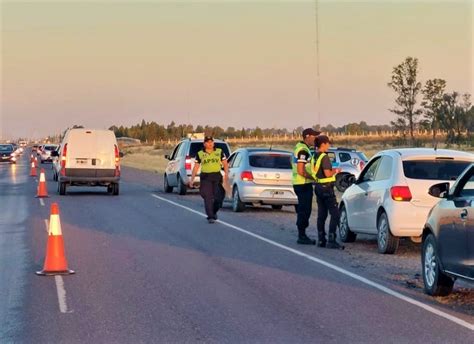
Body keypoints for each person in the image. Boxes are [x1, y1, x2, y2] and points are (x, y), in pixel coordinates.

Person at [308, 135, 344, 249]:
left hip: (318, 187)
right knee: (335, 214)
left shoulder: (315, 156)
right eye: (328, 143)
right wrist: (336, 170)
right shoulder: (324, 157)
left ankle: (321, 239)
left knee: (321, 214)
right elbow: (328, 173)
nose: (329, 145)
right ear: (323, 144)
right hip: (326, 188)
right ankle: (331, 240)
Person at [189, 136, 229, 224]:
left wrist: (226, 175)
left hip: (217, 177)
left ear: (213, 143)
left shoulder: (219, 152)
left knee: (219, 198)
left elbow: (225, 164)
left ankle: (214, 211)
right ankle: (210, 216)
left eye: (211, 142)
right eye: (207, 142)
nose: (210, 144)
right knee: (208, 197)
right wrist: (192, 179)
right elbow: (196, 167)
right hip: (205, 177)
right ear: (204, 144)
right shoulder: (200, 154)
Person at [292, 128, 320, 245]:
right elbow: (301, 170)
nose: (315, 139)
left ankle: (302, 234)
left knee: (303, 210)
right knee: (304, 210)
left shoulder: (302, 148)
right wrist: (314, 178)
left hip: (301, 183)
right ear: (307, 136)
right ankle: (301, 236)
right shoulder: (303, 150)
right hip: (302, 183)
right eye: (314, 136)